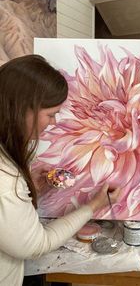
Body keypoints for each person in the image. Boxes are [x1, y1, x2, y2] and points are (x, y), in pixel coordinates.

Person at [0, 55, 120, 286]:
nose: (54, 123)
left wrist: (31, 190)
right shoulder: (6, 181)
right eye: (52, 114)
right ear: (22, 109)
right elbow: (36, 245)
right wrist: (93, 206)